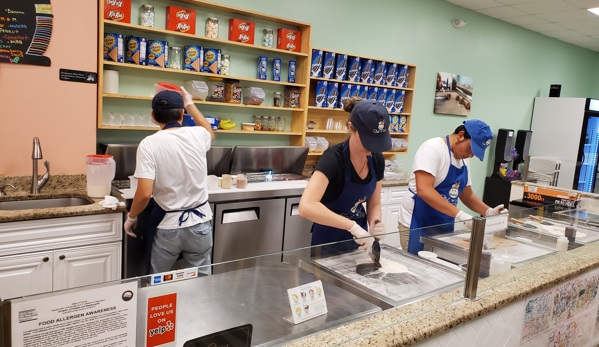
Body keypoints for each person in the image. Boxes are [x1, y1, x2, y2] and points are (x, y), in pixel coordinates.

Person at [124, 88, 215, 275]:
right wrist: (189, 102)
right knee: (201, 281)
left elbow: (144, 194)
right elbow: (209, 131)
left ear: (153, 116)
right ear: (182, 113)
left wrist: (131, 217)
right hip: (200, 223)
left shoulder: (149, 143)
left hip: (169, 226)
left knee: (159, 282)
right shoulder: (197, 135)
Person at [299, 98, 392, 256]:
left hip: (359, 243)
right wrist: (352, 226)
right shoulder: (333, 158)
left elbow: (374, 203)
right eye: (368, 141)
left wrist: (375, 223)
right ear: (351, 128)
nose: (372, 148)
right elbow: (306, 206)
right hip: (328, 242)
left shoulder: (376, 159)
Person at [398, 119, 507, 254]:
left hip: (443, 223)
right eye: (471, 149)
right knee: (417, 269)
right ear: (460, 136)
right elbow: (424, 190)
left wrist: (489, 212)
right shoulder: (432, 149)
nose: (471, 155)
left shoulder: (463, 160)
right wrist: (461, 215)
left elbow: (467, 195)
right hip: (417, 222)